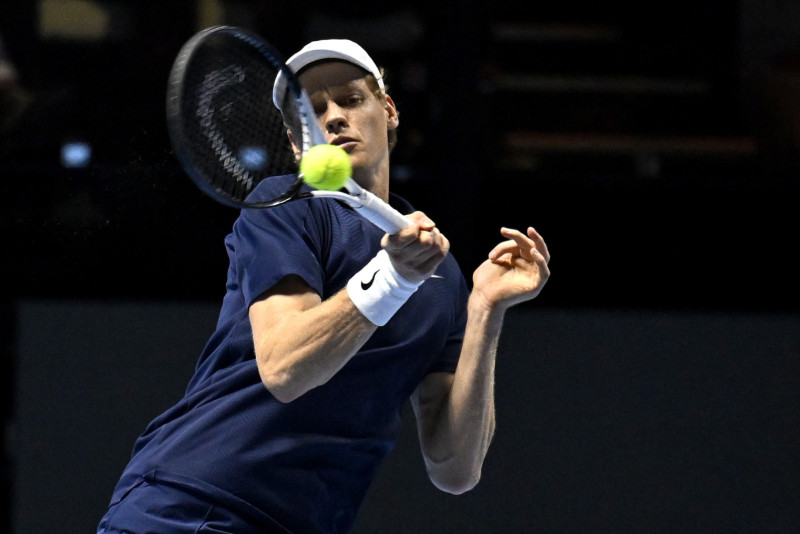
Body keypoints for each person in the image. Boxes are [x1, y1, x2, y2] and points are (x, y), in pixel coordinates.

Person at [98, 38, 550, 534]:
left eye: (350, 100)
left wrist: (485, 308)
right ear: (297, 145)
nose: (333, 118)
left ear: (388, 110)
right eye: (313, 113)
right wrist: (393, 277)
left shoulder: (444, 280)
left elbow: (455, 470)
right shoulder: (286, 207)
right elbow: (285, 368)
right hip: (194, 506)